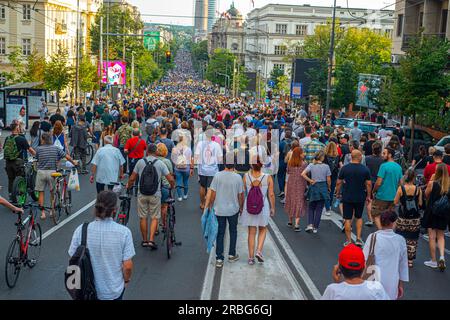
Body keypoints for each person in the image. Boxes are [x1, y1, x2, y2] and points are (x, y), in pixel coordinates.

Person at [68, 191, 135, 300]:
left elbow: (72, 258)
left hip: (86, 290)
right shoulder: (124, 233)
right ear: (115, 210)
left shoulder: (81, 230)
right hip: (112, 291)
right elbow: (127, 266)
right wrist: (126, 280)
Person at [127, 143, 175, 250]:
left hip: (142, 193)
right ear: (156, 152)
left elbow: (132, 178)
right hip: (155, 194)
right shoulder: (160, 164)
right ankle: (151, 240)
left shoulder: (140, 162)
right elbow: (170, 179)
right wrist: (172, 186)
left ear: (147, 151)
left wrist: (128, 186)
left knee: (143, 217)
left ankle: (144, 240)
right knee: (154, 217)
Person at [205, 161, 244, 268]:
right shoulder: (238, 177)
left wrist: (210, 205)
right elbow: (241, 195)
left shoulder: (217, 176)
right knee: (233, 231)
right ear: (234, 165)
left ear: (224, 164)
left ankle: (219, 258)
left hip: (219, 209)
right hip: (233, 210)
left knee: (220, 233)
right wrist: (241, 207)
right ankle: (232, 254)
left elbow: (213, 193)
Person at [363, 210, 409, 300]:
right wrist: (400, 284)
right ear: (393, 223)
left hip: (373, 279)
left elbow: (364, 259)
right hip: (392, 281)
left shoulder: (372, 237)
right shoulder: (400, 240)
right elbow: (403, 265)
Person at [321, 244, 389, 300]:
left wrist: (336, 283)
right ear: (364, 267)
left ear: (339, 269)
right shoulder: (376, 288)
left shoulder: (333, 290)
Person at [35, 132, 77, 219]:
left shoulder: (38, 149)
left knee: (41, 192)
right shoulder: (56, 148)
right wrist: (74, 162)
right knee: (52, 192)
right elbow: (67, 157)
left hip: (41, 172)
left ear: (43, 140)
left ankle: (43, 213)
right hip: (52, 173)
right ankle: (51, 210)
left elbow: (37, 159)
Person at [241, 161, 276, 265]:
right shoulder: (268, 177)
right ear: (262, 165)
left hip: (249, 205)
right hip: (263, 206)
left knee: (251, 232)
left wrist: (241, 206)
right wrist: (273, 208)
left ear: (251, 165)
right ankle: (259, 251)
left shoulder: (246, 176)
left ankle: (251, 258)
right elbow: (271, 194)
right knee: (263, 229)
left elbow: (242, 193)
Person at [335, 150, 372, 247]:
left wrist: (338, 193)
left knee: (347, 218)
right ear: (359, 157)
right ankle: (358, 238)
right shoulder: (365, 169)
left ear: (351, 157)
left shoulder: (345, 169)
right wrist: (368, 196)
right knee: (359, 217)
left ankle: (348, 240)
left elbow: (339, 182)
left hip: (347, 196)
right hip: (360, 196)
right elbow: (368, 184)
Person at [393, 169, 423, 268]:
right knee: (412, 240)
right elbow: (420, 204)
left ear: (405, 177)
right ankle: (410, 261)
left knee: (401, 238)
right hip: (414, 219)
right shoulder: (418, 189)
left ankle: (400, 258)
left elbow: (395, 202)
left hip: (403, 218)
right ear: (414, 177)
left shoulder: (401, 189)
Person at [423, 163, 449, 271]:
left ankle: (433, 261)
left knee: (432, 237)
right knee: (441, 236)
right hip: (444, 212)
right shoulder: (449, 183)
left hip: (432, 211)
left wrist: (431, 180)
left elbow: (426, 194)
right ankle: (442, 257)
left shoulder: (432, 183)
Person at [372, 147, 403, 229]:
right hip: (393, 196)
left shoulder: (383, 166)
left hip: (382, 195)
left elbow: (378, 182)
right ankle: (390, 232)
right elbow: (401, 183)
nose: (382, 155)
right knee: (390, 216)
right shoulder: (399, 167)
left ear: (390, 155)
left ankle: (381, 232)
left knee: (376, 214)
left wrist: (374, 190)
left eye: (384, 153)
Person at [302, 151, 331, 234]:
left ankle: (310, 224)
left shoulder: (311, 165)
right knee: (319, 208)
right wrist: (329, 187)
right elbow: (328, 179)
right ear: (322, 158)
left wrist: (310, 180)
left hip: (314, 186)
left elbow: (303, 174)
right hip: (323, 187)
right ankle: (315, 227)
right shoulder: (326, 166)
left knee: (311, 207)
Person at [3, 122, 36, 198]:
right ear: (17, 129)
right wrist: (38, 155)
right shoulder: (21, 139)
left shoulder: (7, 138)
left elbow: (5, 148)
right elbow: (30, 150)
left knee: (11, 179)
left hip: (8, 162)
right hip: (18, 162)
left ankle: (11, 195)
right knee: (21, 178)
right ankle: (21, 194)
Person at [194, 126, 223, 211]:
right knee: (211, 188)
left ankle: (202, 203)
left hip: (202, 170)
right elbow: (220, 158)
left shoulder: (200, 144)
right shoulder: (216, 145)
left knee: (202, 187)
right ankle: (209, 205)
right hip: (213, 170)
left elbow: (196, 156)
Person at [284, 147, 308, 232]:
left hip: (291, 183)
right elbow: (306, 173)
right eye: (302, 153)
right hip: (301, 183)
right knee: (299, 201)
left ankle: (290, 221)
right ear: (299, 154)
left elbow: (287, 171)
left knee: (291, 200)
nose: (303, 154)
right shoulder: (304, 164)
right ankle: (297, 224)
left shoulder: (290, 162)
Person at [365, 142, 384, 227]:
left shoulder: (367, 158)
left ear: (372, 149)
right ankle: (378, 218)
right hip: (380, 181)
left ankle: (370, 219)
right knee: (379, 201)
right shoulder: (383, 160)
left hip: (369, 181)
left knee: (369, 200)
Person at [156, 143, 173, 232]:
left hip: (155, 187)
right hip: (165, 186)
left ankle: (155, 228)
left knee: (155, 208)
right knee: (164, 206)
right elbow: (170, 173)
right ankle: (164, 224)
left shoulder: (153, 160)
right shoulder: (167, 161)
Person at [171, 135, 194, 201]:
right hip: (186, 167)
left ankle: (179, 196)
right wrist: (191, 168)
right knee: (185, 181)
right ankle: (185, 195)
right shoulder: (188, 149)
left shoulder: (175, 148)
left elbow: (173, 159)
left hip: (177, 168)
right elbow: (191, 159)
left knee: (178, 181)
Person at [324, 141, 341, 216]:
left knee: (325, 190)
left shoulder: (325, 156)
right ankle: (329, 205)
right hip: (334, 175)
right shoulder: (337, 156)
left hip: (325, 175)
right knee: (331, 191)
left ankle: (326, 205)